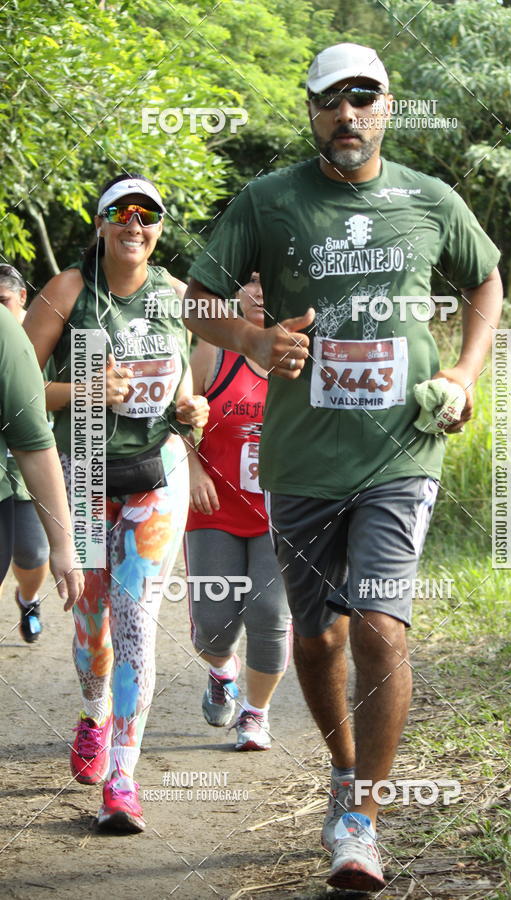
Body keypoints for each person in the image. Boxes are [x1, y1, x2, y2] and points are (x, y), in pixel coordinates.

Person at [183, 43, 503, 891]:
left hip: (402, 451)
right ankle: (343, 768)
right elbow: (200, 297)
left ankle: (361, 818)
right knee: (319, 638)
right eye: (332, 100)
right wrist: (253, 339)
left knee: (378, 626)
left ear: (389, 106)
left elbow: (488, 282)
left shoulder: (429, 199)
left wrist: (463, 376)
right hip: (300, 462)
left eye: (365, 98)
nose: (348, 114)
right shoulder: (269, 200)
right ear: (313, 111)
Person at [24, 173, 209, 835]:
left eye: (149, 215)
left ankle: (123, 778)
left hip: (157, 476)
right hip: (85, 474)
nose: (136, 225)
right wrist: (86, 389)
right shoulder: (70, 291)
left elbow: (184, 382)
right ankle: (95, 714)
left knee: (135, 617)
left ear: (160, 226)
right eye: (122, 213)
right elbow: (16, 391)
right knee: (92, 620)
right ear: (101, 223)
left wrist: (194, 407)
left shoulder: (176, 297)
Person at [184, 274, 291, 751]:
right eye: (251, 282)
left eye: (269, 282)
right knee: (214, 623)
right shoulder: (212, 349)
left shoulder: (302, 357)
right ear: (236, 295)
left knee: (269, 613)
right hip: (214, 506)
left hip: (281, 510)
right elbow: (180, 414)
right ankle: (221, 670)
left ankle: (255, 713)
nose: (260, 292)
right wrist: (192, 470)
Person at [0, 303, 82, 610]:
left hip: (18, 481)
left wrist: (62, 544)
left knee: (33, 552)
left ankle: (29, 599)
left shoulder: (5, 331)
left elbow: (31, 440)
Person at [0, 264, 53, 642]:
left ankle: (29, 599)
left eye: (3, 301)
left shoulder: (45, 340)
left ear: (22, 298)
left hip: (32, 472)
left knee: (33, 554)